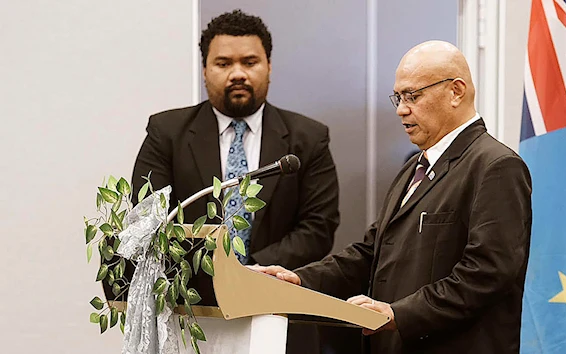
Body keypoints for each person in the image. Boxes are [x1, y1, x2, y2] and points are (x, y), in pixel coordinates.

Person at [252, 40, 533, 354]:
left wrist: (399, 314)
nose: (401, 109)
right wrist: (300, 280)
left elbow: (486, 274)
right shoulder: (415, 166)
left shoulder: (495, 165)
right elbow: (370, 253)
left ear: (455, 91)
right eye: (398, 97)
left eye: (413, 95)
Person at [129, 9, 340, 353]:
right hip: (188, 315)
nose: (238, 73)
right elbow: (147, 222)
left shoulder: (308, 138)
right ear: (205, 70)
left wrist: (247, 273)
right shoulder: (166, 133)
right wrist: (211, 272)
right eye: (224, 63)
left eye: (250, 62)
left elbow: (318, 228)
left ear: (269, 67)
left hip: (278, 308)